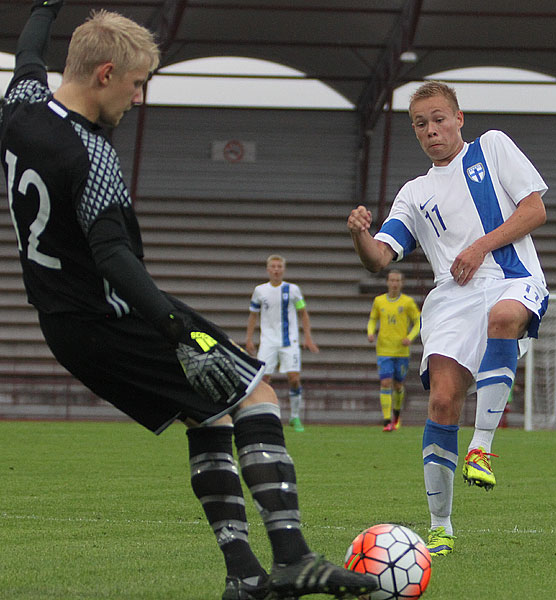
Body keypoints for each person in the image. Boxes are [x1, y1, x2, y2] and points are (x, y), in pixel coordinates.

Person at [0, 4, 376, 599]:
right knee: (256, 392)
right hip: (112, 315)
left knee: (210, 414)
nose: (138, 97)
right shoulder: (90, 153)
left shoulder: (18, 110)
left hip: (64, 322)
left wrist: (46, 7)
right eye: (136, 83)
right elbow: (114, 258)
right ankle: (293, 559)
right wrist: (178, 329)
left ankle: (244, 575)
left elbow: (27, 53)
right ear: (103, 74)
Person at [347, 81, 549, 556]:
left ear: (459, 118)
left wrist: (480, 246)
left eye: (439, 119)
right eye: (421, 124)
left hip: (511, 277)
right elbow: (380, 258)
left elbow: (535, 210)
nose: (431, 130)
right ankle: (441, 526)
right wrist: (359, 234)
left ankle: (481, 446)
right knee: (441, 403)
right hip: (452, 295)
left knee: (503, 318)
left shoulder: (492, 147)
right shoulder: (414, 193)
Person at [245, 255, 319, 433]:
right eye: (273, 266)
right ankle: (266, 416)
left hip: (289, 340)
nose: (276, 269)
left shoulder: (293, 290)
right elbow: (253, 316)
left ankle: (294, 416)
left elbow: (303, 313)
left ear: (283, 269)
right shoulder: (259, 291)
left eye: (279, 266)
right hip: (268, 341)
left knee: (294, 378)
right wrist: (249, 339)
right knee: (264, 380)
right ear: (268, 269)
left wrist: (307, 337)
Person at [367, 269, 420, 431]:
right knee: (385, 382)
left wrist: (409, 338)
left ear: (402, 283)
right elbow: (372, 319)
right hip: (384, 349)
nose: (395, 283)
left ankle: (396, 414)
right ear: (387, 282)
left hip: (401, 351)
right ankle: (386, 420)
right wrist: (370, 332)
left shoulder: (408, 303)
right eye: (392, 280)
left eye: (398, 280)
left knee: (398, 385)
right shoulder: (379, 301)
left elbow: (418, 323)